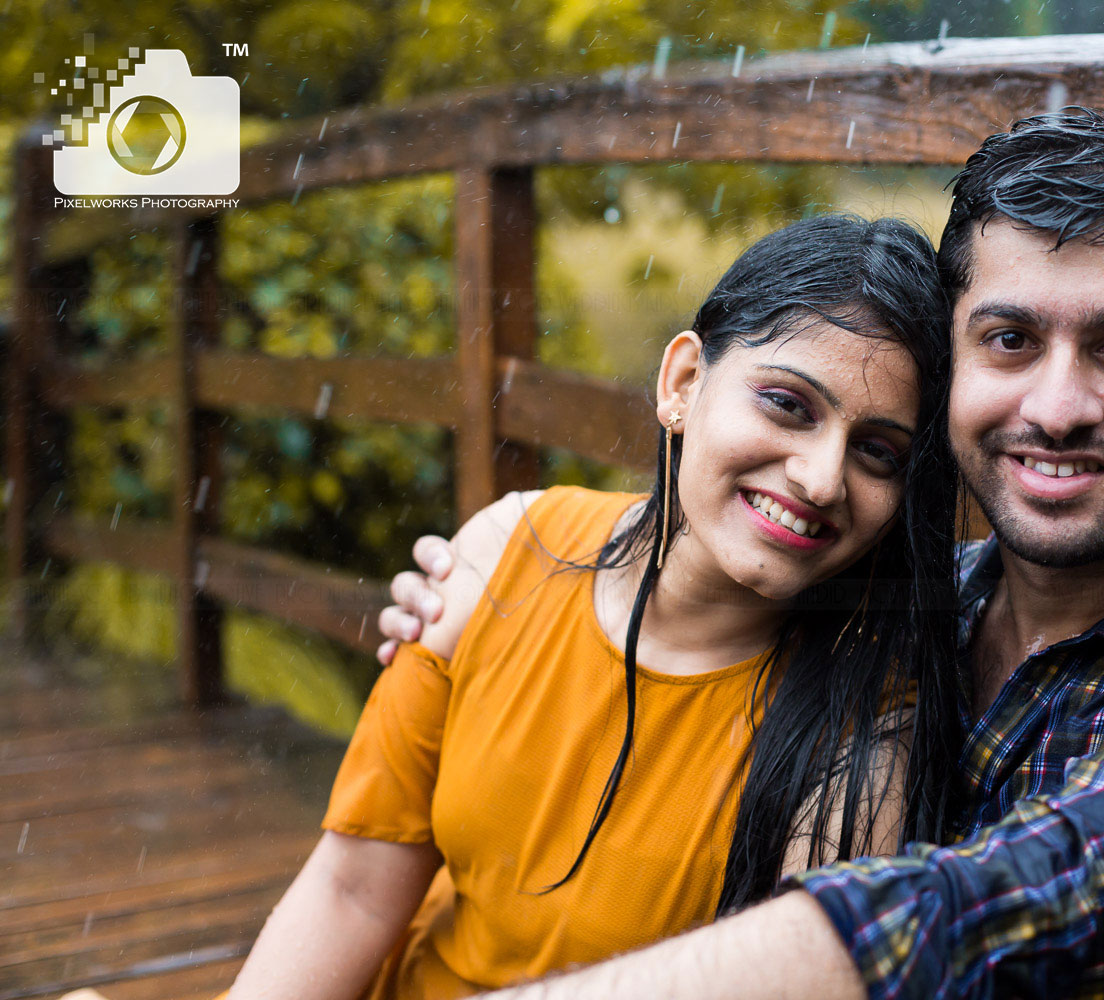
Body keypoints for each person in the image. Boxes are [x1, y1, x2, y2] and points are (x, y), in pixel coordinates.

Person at [382, 109, 1104, 1000]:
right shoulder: (894, 607)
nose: (1054, 407)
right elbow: (701, 578)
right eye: (1008, 340)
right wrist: (504, 564)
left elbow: (1002, 911)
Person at [226, 214, 969, 999]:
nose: (821, 479)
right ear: (682, 384)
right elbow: (354, 888)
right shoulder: (507, 552)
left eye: (878, 451)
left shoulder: (865, 735)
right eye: (788, 405)